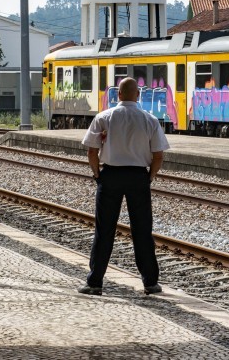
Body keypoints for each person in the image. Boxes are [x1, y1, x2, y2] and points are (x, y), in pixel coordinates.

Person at [77, 77, 170, 295]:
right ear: (138, 95)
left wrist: (97, 174)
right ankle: (150, 282)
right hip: (138, 177)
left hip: (111, 175)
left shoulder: (104, 117)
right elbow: (158, 155)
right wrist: (150, 177)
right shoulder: (149, 120)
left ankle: (95, 282)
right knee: (142, 230)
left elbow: (91, 151)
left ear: (118, 94)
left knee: (104, 230)